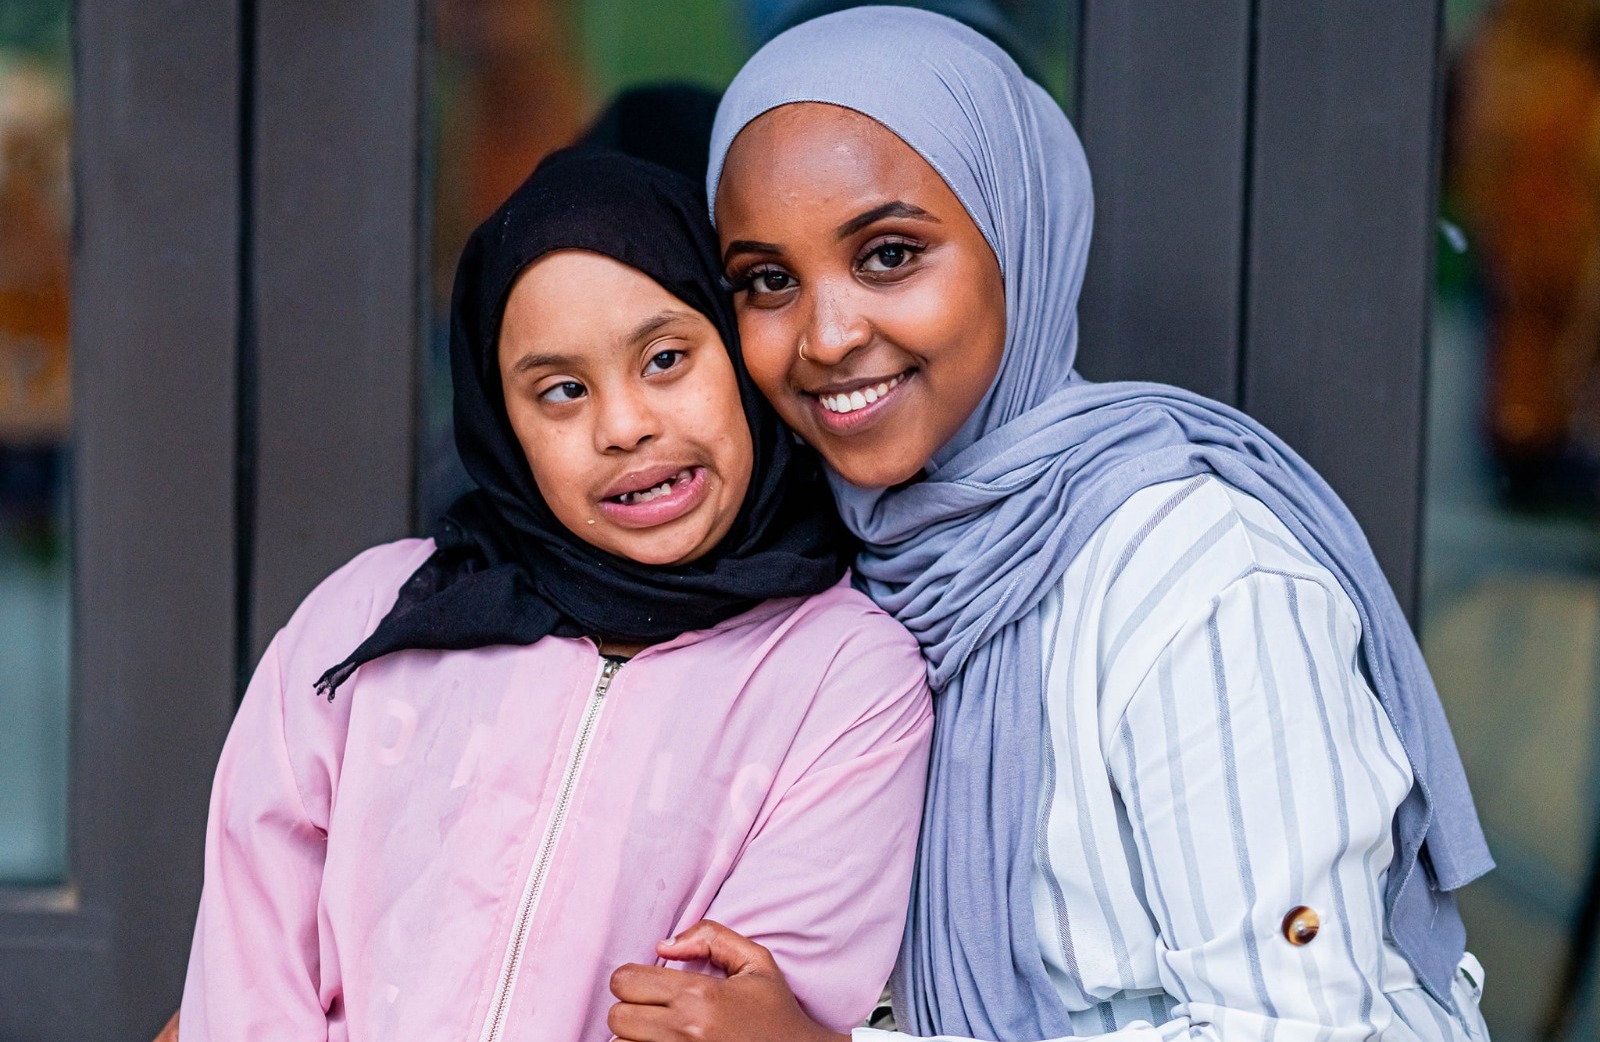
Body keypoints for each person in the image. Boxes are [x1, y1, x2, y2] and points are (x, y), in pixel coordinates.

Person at [606, 8, 1495, 1041]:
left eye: (889, 254)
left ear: (1015, 235)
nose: (828, 335)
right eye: (768, 281)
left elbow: (1298, 1028)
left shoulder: (1192, 574)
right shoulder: (835, 569)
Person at [177, 146, 933, 1041]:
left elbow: (738, 1010)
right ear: (501, 422)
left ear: (739, 357)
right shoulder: (372, 617)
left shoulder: (842, 677)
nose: (624, 426)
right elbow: (249, 972)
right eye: (562, 391)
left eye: (666, 359)